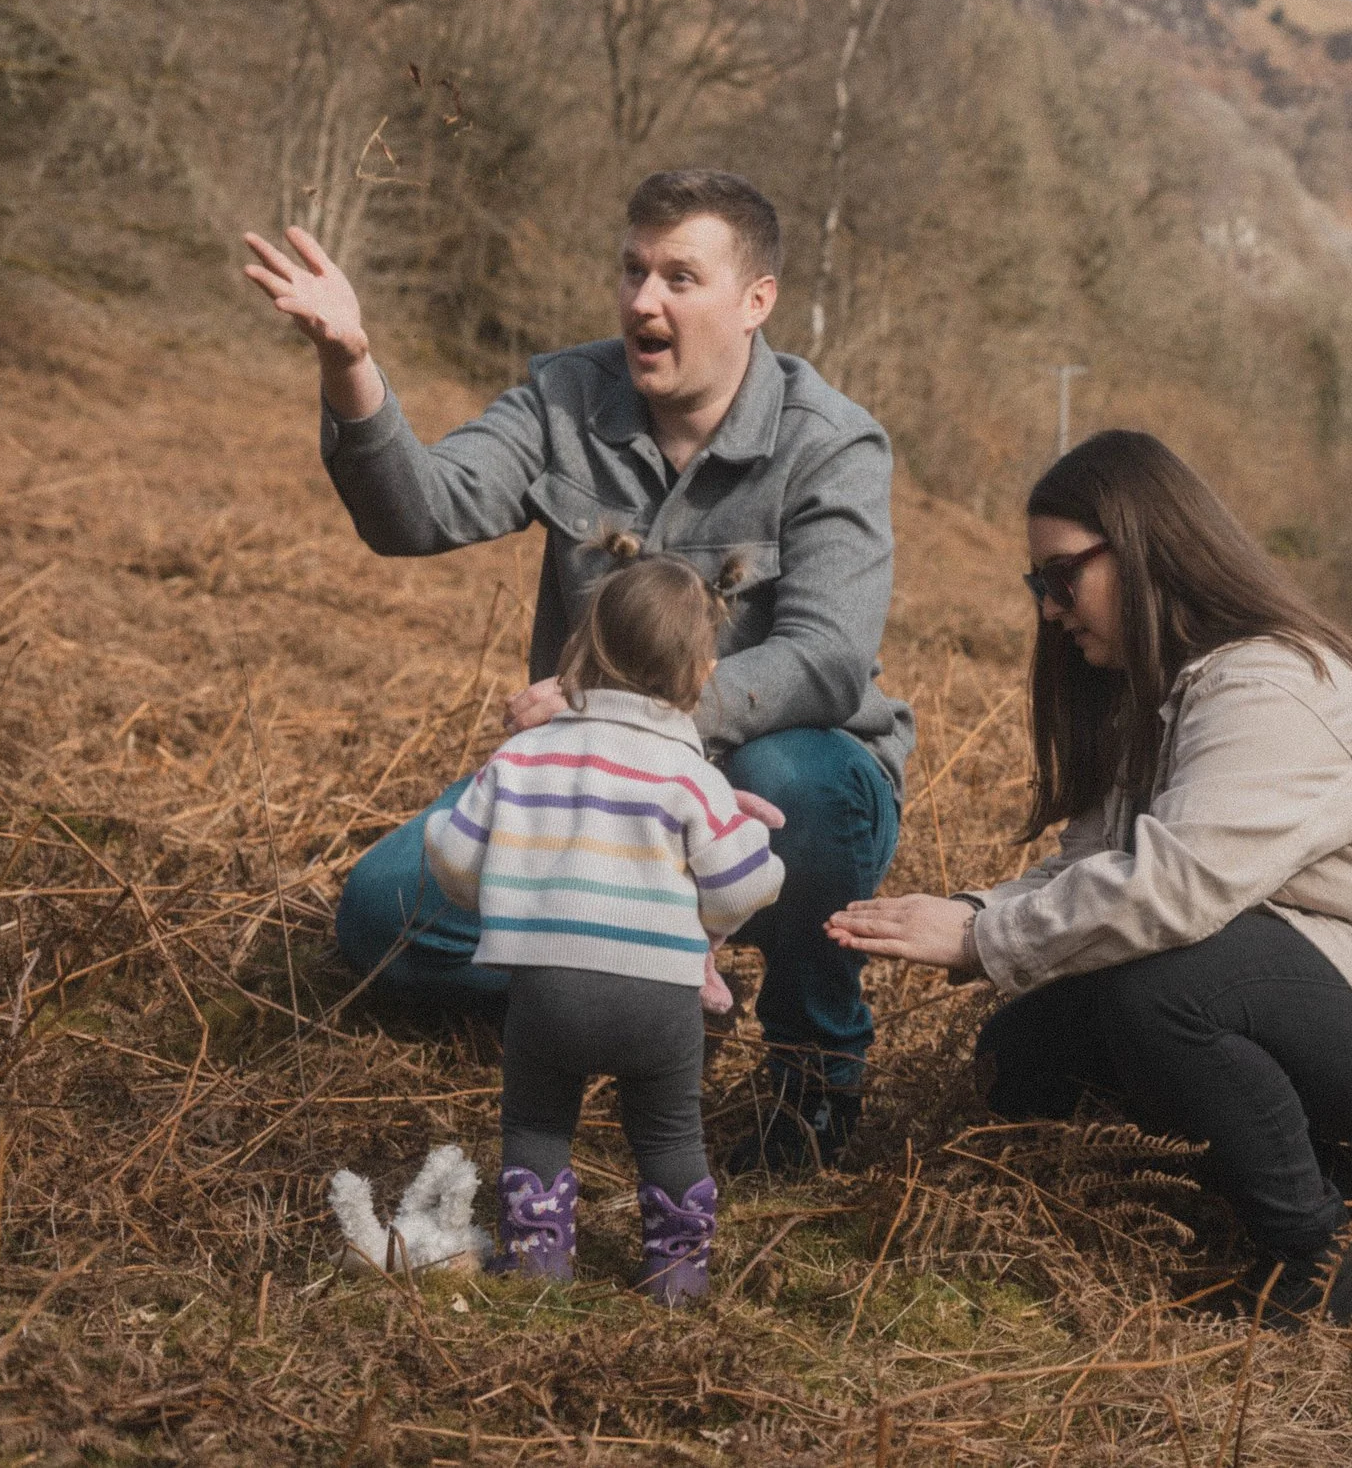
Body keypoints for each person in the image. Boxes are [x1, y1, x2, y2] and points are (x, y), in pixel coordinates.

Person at [241, 170, 911, 1175]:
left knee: (797, 778)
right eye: (634, 270)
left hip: (765, 793)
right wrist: (351, 366)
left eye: (681, 276)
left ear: (755, 301)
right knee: (380, 911)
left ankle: (812, 1072)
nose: (644, 300)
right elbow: (415, 513)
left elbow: (824, 656)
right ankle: (635, 988)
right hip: (589, 800)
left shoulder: (831, 442)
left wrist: (620, 713)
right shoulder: (562, 395)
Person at [826, 430, 1352, 1329]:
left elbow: (1172, 891)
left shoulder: (1271, 686)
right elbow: (1099, 872)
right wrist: (974, 912)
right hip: (1340, 975)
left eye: (1061, 576)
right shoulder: (1160, 692)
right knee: (1026, 1055)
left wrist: (982, 939)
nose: (1048, 609)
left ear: (1142, 549)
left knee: (1160, 991)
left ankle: (1314, 1262)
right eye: (1035, 584)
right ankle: (1350, 1177)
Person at [425, 543, 784, 1301]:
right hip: (657, 1002)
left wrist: (498, 886)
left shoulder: (526, 754)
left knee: (536, 1121)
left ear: (583, 650)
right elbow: (737, 888)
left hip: (548, 990)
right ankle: (677, 1272)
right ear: (702, 672)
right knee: (669, 1134)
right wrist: (757, 854)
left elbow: (455, 859)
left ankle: (538, 1257)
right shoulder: (692, 773)